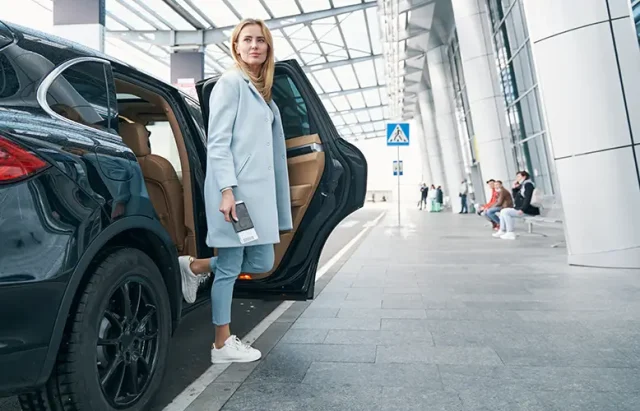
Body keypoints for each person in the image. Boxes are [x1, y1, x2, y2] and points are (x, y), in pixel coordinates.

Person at [176, 18, 292, 363]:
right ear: (236, 47)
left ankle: (194, 267)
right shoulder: (231, 83)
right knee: (229, 265)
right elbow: (218, 143)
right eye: (247, 40)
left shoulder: (260, 91)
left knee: (261, 259)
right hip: (237, 195)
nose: (254, 45)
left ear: (268, 48)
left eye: (260, 40)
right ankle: (221, 344)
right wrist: (227, 190)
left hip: (257, 197)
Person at [494, 171, 539, 240]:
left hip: (528, 210)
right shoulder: (522, 185)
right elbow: (516, 198)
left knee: (506, 212)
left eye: (518, 176)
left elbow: (528, 199)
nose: (516, 178)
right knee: (503, 211)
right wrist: (514, 189)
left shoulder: (528, 185)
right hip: (521, 208)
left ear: (524, 177)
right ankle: (502, 230)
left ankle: (510, 232)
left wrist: (522, 209)